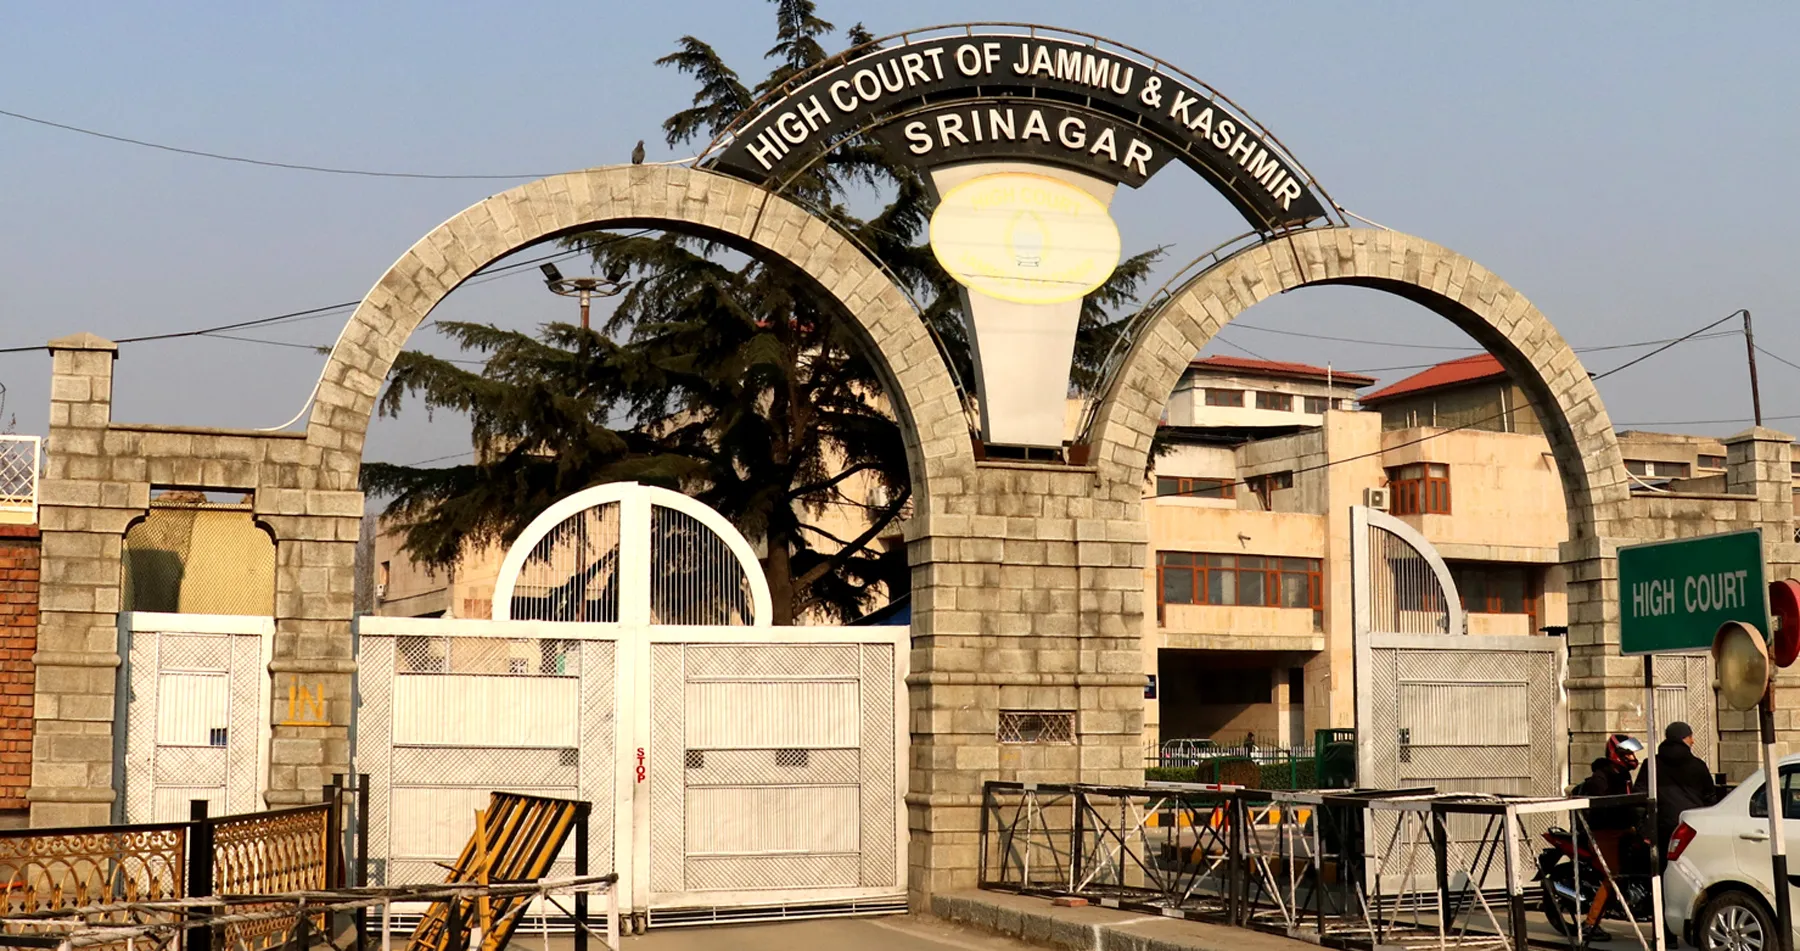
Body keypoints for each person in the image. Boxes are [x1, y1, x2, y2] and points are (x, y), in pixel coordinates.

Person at [1575, 734, 1646, 938]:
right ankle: (1590, 924)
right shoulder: (1600, 778)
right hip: (1604, 831)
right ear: (1617, 754)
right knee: (1612, 875)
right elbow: (1600, 809)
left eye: (1633, 753)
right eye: (1628, 753)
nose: (1633, 758)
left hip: (1623, 828)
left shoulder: (1624, 775)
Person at [1634, 721, 1718, 846]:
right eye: (1690, 737)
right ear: (1683, 738)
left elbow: (1639, 798)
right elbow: (1710, 797)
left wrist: (1643, 830)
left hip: (1662, 826)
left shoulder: (1651, 764)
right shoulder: (1698, 765)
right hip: (1692, 826)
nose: (1693, 741)